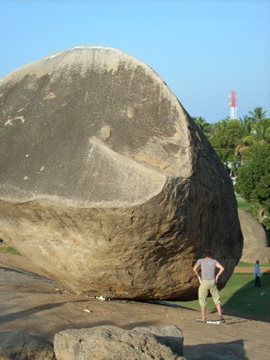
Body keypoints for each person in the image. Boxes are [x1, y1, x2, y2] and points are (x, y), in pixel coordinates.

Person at [193, 250, 225, 323]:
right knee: (217, 299)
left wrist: (199, 277)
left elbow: (194, 269)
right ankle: (221, 317)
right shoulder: (214, 261)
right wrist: (217, 276)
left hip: (204, 282)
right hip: (212, 282)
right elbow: (222, 268)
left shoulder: (200, 260)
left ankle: (203, 318)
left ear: (205, 256)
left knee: (202, 299)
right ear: (211, 256)